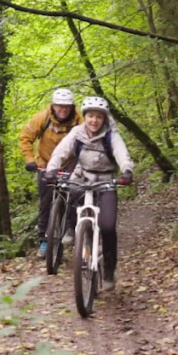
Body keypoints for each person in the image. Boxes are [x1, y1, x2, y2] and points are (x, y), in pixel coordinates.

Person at [44, 96, 135, 291]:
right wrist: (52, 169)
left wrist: (127, 170)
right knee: (69, 192)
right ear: (85, 117)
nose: (94, 121)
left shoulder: (111, 135)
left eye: (99, 117)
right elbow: (61, 151)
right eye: (90, 116)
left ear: (104, 119)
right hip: (82, 175)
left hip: (105, 180)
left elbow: (121, 153)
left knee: (108, 227)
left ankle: (109, 269)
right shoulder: (77, 133)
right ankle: (71, 228)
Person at [20, 88, 83, 258]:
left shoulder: (80, 121)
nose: (63, 110)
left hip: (70, 165)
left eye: (67, 107)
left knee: (74, 197)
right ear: (53, 106)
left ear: (72, 107)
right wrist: (29, 160)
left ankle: (73, 229)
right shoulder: (42, 118)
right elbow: (25, 138)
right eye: (59, 106)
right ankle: (45, 241)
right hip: (46, 165)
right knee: (46, 203)